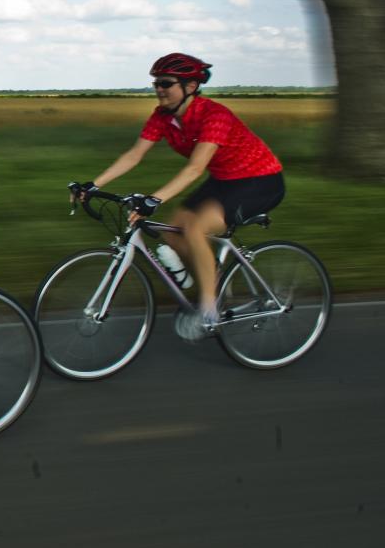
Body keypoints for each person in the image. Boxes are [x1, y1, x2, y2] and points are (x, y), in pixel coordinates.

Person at [76, 53, 285, 340]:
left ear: (190, 87)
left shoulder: (215, 115)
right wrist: (93, 184)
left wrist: (153, 199)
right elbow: (134, 155)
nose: (159, 88)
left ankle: (210, 309)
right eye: (156, 83)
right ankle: (212, 279)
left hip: (260, 181)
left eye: (166, 83)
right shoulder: (162, 117)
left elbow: (195, 168)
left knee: (196, 228)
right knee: (174, 231)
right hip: (224, 180)